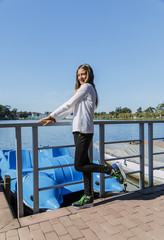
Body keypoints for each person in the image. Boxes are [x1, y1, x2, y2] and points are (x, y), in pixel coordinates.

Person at [37, 64, 126, 210]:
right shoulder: (81, 89)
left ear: (89, 74)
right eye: (78, 75)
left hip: (84, 130)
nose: (81, 77)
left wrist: (51, 115)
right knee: (85, 165)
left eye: (83, 74)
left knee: (78, 165)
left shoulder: (87, 87)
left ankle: (112, 170)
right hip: (78, 130)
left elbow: (68, 104)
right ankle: (88, 197)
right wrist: (54, 119)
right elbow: (70, 109)